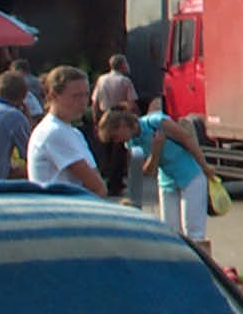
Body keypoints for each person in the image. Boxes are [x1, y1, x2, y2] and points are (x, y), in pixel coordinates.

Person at [98, 107, 217, 253]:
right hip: (167, 182)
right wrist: (155, 150)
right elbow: (149, 172)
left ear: (122, 125)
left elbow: (187, 138)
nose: (116, 141)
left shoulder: (156, 122)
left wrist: (204, 166)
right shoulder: (131, 143)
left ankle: (201, 268)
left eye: (115, 136)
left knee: (193, 232)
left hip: (190, 175)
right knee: (171, 232)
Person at [27, 66, 107, 196]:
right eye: (76, 96)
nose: (83, 102)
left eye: (86, 95)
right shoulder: (53, 131)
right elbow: (97, 187)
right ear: (54, 96)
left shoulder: (74, 133)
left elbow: (96, 180)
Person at [91, 54, 141, 196]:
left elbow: (95, 101)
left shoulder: (101, 80)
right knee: (119, 153)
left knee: (107, 151)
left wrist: (96, 120)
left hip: (105, 116)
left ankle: (107, 179)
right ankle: (115, 183)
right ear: (122, 65)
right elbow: (131, 103)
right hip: (120, 117)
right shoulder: (125, 81)